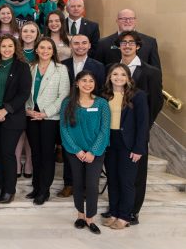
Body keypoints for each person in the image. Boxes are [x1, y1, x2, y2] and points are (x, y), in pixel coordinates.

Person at [116, 30, 164, 225]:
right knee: (117, 172)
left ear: (138, 47)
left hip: (137, 133)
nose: (127, 46)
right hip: (114, 131)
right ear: (119, 46)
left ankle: (133, 211)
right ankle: (118, 208)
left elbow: (156, 103)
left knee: (137, 174)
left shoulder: (151, 72)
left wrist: (143, 129)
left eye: (131, 43)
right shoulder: (112, 68)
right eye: (123, 42)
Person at [60, 70, 110, 235]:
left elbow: (104, 130)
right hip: (75, 151)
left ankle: (90, 218)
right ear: (77, 83)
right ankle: (80, 215)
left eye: (91, 81)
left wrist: (93, 151)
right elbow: (64, 129)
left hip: (96, 152)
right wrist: (77, 150)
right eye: (84, 81)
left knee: (92, 184)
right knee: (78, 183)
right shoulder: (67, 103)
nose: (87, 84)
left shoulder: (102, 103)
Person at [0, 34, 32, 204]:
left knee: (7, 153)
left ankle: (9, 190)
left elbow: (23, 94)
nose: (6, 49)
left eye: (10, 46)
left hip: (12, 117)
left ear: (15, 48)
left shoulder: (22, 67)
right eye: (3, 46)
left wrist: (5, 110)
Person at [102, 63, 148, 230]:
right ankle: (113, 212)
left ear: (129, 78)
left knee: (126, 181)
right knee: (112, 180)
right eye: (115, 74)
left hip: (128, 144)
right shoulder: (104, 95)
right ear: (109, 77)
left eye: (123, 75)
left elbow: (143, 124)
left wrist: (139, 148)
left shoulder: (138, 96)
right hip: (109, 142)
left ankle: (124, 216)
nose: (119, 77)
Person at [24, 37, 70, 205]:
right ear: (36, 50)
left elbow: (64, 96)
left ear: (53, 51)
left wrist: (45, 113)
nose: (45, 51)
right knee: (35, 154)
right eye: (41, 48)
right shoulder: (30, 67)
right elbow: (23, 92)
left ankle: (45, 190)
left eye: (48, 48)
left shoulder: (60, 69)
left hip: (49, 118)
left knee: (47, 155)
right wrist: (27, 110)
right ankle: (36, 187)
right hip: (31, 116)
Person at [60, 33, 105, 198]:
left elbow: (100, 91)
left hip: (90, 111)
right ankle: (69, 183)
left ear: (89, 45)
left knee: (88, 146)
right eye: (76, 43)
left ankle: (88, 186)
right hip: (69, 109)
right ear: (71, 45)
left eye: (84, 43)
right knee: (69, 147)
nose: (80, 46)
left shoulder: (99, 66)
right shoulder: (62, 65)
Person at [94, 9, 161, 70]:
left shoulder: (150, 42)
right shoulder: (103, 43)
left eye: (131, 18)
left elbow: (156, 71)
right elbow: (98, 71)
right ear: (117, 21)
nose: (128, 21)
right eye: (123, 19)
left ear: (135, 21)